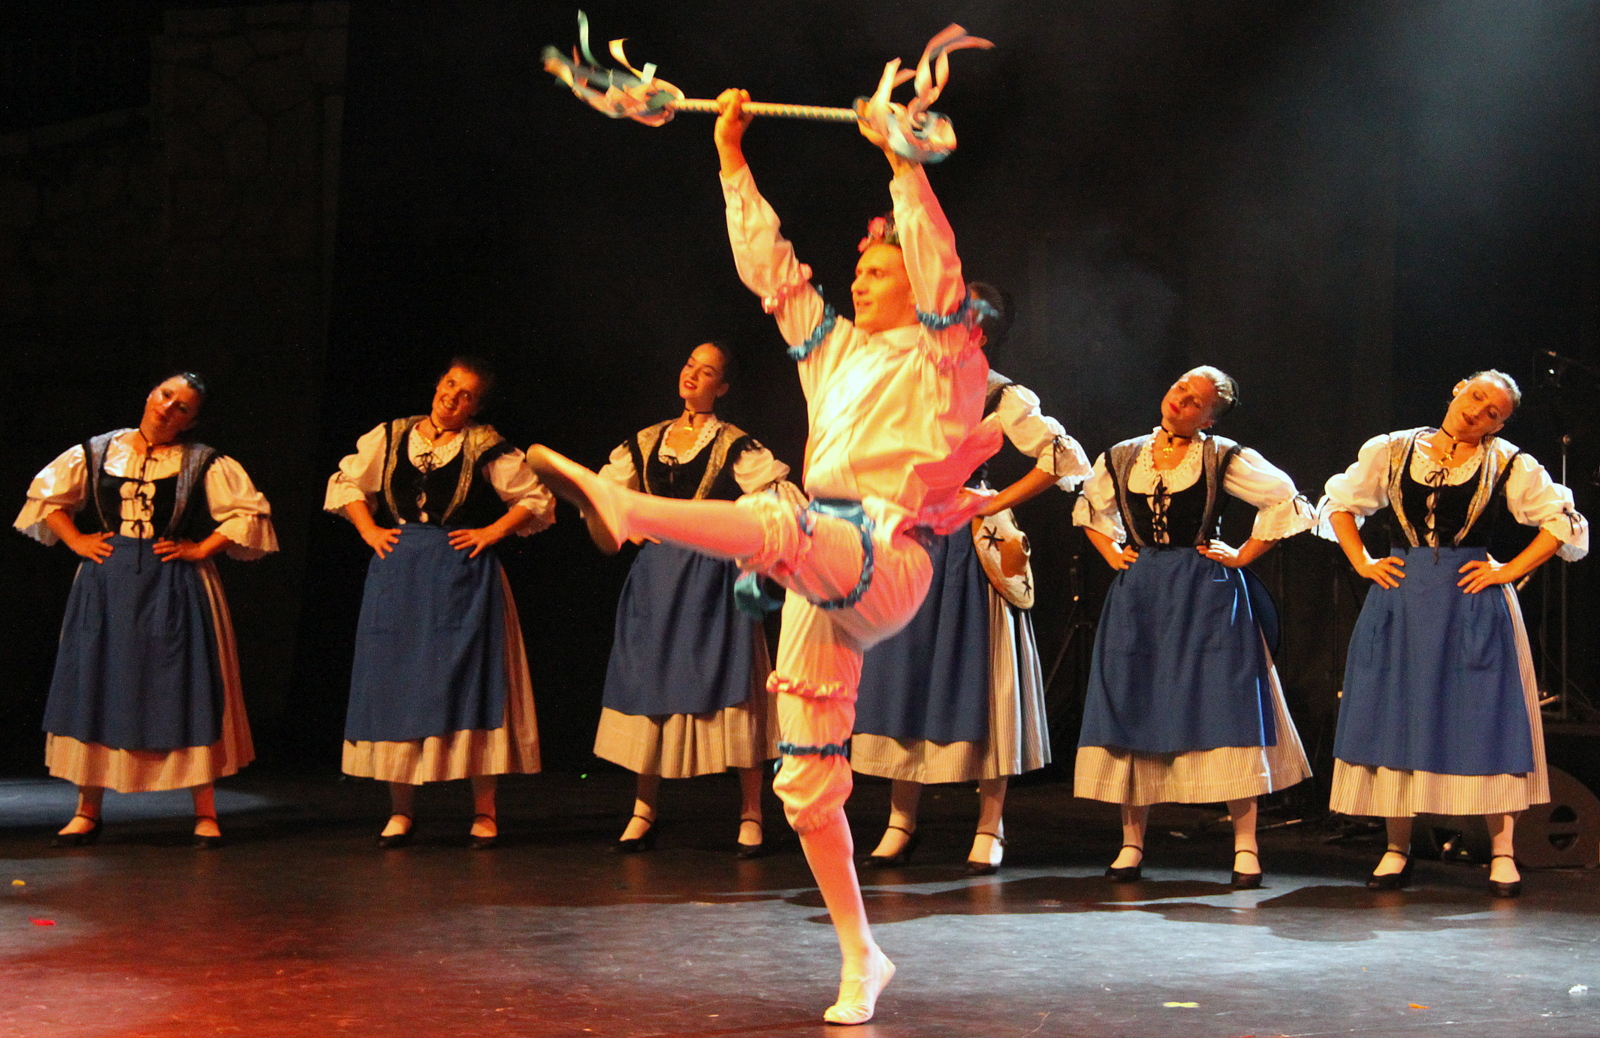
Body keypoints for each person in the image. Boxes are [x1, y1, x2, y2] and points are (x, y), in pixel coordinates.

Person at [528, 88, 1000, 1024]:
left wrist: (901, 165)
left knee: (777, 519)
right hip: (819, 571)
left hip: (886, 558)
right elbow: (775, 275)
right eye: (859, 270)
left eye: (877, 271)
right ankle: (862, 956)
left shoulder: (949, 358)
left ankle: (629, 509)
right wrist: (732, 160)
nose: (859, 282)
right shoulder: (834, 353)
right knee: (806, 785)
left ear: (913, 281)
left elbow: (939, 263)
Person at [1319, 370, 1588, 896]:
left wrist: (1508, 570)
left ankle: (1503, 853)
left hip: (1471, 603)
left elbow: (1562, 522)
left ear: (1499, 425)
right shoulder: (1393, 449)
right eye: (1477, 396)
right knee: (1397, 715)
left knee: (1486, 716)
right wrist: (1363, 561)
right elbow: (1341, 504)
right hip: (1402, 599)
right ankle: (1397, 849)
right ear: (1458, 389)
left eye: (1493, 412)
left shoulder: (1506, 461)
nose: (1478, 411)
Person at [1074, 367, 1315, 888]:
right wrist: (1113, 553)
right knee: (1133, 704)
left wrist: (1243, 555)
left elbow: (1285, 499)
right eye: (1181, 387)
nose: (1181, 400)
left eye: (1195, 400)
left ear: (1209, 418)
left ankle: (1246, 846)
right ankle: (1131, 844)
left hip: (1206, 593)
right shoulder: (1123, 455)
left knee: (1226, 707)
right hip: (1140, 596)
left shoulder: (1220, 456)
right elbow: (1091, 508)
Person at [16, 373, 278, 847]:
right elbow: (47, 497)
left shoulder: (202, 461)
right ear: (150, 394)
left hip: (174, 585)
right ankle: (86, 810)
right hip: (106, 586)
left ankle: (205, 812)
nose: (167, 408)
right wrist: (76, 540)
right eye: (165, 395)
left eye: (182, 407)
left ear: (190, 422)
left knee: (187, 687)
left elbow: (247, 514)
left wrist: (201, 549)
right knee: (97, 684)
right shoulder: (99, 451)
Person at [855, 355, 1090, 875]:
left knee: (984, 681)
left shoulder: (997, 393)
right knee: (905, 677)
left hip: (967, 548)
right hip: (908, 541)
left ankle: (990, 824)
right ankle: (900, 819)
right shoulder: (898, 380)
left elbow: (1062, 457)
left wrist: (991, 502)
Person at [326, 357, 554, 849]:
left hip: (460, 577)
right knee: (396, 683)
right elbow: (346, 483)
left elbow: (535, 499)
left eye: (466, 393)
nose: (452, 396)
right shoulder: (392, 435)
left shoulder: (483, 443)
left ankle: (485, 811)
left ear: (476, 406)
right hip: (399, 575)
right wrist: (369, 529)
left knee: (471, 683)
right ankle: (400, 810)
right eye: (450, 384)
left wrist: (491, 532)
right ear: (438, 383)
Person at [594, 341, 799, 855]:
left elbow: (775, 498)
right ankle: (644, 810)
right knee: (648, 680)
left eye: (706, 372)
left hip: (710, 578)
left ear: (721, 387)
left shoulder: (734, 444)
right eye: (689, 365)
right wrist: (632, 527)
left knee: (733, 683)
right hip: (657, 578)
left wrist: (732, 534)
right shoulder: (647, 440)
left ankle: (751, 812)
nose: (692, 375)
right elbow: (603, 495)